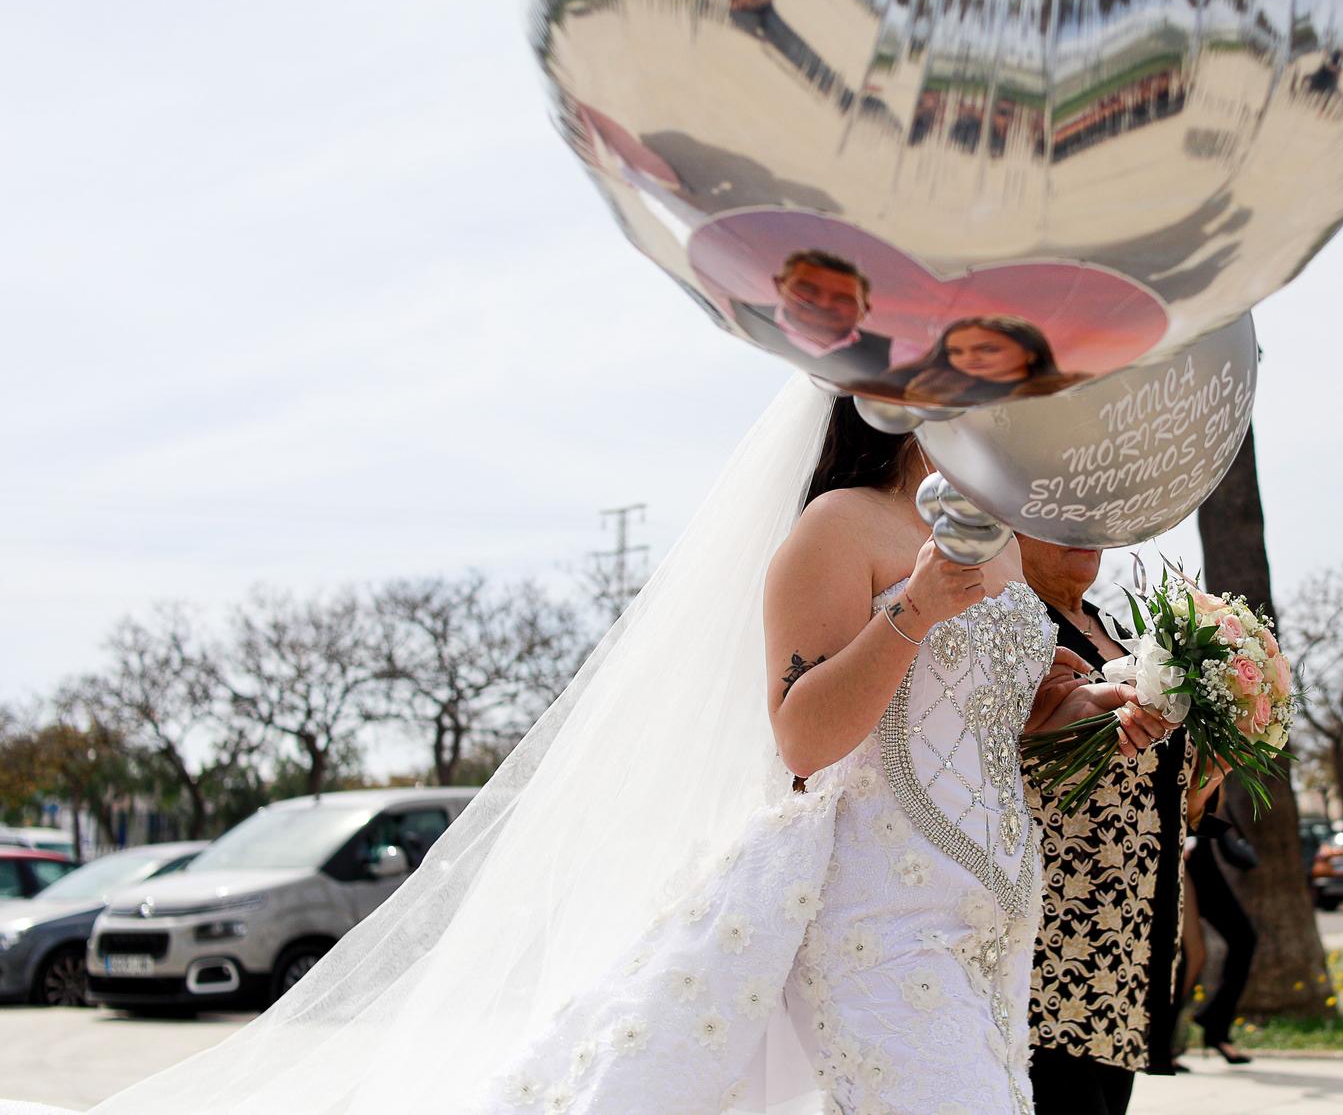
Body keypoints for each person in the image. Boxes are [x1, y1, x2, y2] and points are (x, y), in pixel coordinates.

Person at [0, 383, 1156, 1115]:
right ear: (895, 395)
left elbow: (981, 726)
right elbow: (803, 735)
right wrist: (911, 606)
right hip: (875, 916)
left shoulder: (1002, 550)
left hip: (998, 920)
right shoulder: (837, 531)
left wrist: (1089, 708)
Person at [1020, 539, 1216, 1115]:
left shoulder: (1122, 632)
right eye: (1058, 521)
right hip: (1055, 947)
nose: (1085, 536)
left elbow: (1173, 800)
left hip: (1128, 946)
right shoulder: (1014, 629)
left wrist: (1207, 779)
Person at [731, 249, 894, 385]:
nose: (824, 304)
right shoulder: (735, 316)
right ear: (780, 285)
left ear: (864, 310)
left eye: (843, 299)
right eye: (807, 290)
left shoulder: (893, 354)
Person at [1186, 800, 1259, 1065]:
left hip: (1201, 862)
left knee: (1243, 940)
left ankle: (1215, 1025)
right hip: (1183, 865)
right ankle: (1163, 1045)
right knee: (1185, 957)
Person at [889, 315, 1090, 406]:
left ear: (1031, 352)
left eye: (988, 349)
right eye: (956, 351)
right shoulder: (930, 388)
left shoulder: (1070, 390)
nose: (969, 359)